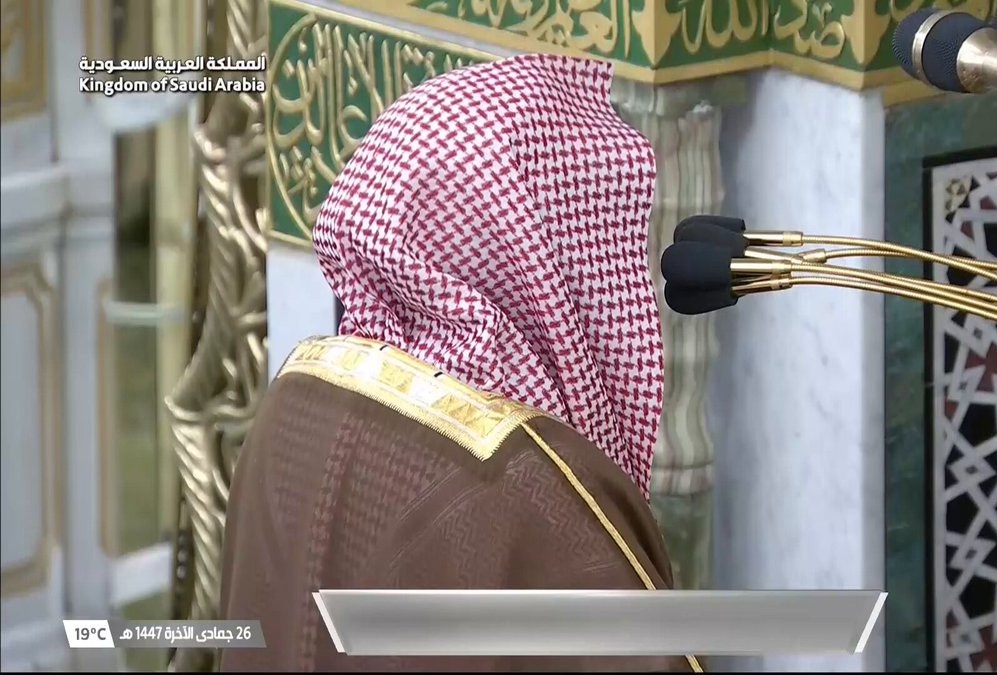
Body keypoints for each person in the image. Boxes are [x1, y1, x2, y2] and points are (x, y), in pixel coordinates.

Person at [219, 54, 699, 672]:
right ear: (532, 253)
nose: (623, 286)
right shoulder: (541, 495)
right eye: (602, 244)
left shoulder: (290, 401)